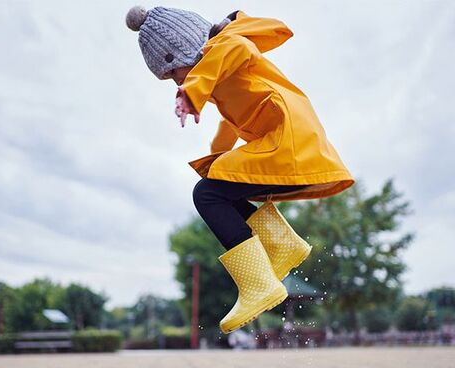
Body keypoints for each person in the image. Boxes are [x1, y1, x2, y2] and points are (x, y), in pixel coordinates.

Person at [126, 6, 354, 334]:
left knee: (206, 195)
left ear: (182, 53)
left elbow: (235, 50)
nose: (176, 81)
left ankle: (259, 285)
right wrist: (217, 160)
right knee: (216, 188)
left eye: (173, 73)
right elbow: (230, 125)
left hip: (289, 144)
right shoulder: (223, 75)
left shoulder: (229, 44)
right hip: (290, 145)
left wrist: (192, 91)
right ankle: (280, 245)